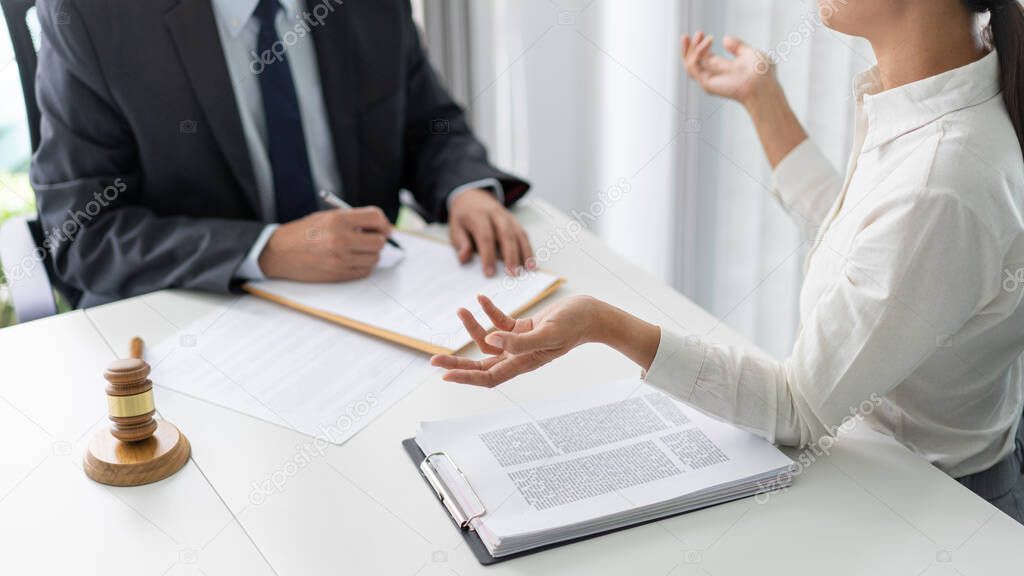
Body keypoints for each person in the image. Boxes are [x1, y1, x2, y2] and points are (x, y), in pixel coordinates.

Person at [432, 0, 1024, 522]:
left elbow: (799, 408)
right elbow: (868, 253)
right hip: (887, 475)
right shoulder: (933, 94)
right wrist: (760, 97)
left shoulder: (943, 176)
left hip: (934, 506)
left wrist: (601, 323)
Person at [30, 0, 534, 307]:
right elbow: (82, 234)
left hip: (376, 304)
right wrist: (265, 251)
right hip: (203, 319)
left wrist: (466, 190)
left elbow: (430, 124)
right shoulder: (93, 17)